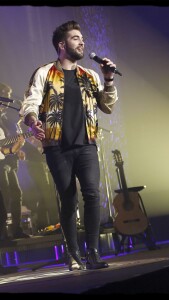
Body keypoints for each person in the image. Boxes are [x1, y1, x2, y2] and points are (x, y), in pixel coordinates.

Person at [19, 20, 118, 271]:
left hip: (86, 144)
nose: (82, 41)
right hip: (57, 146)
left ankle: (93, 253)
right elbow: (30, 103)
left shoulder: (90, 75)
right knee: (68, 198)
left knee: (93, 195)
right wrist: (33, 122)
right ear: (62, 45)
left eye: (82, 37)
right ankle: (73, 254)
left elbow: (107, 106)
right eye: (76, 38)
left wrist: (108, 80)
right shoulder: (44, 73)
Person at [0, 82, 30, 241]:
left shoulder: (4, 118)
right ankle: (3, 232)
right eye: (5, 95)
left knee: (16, 194)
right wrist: (11, 149)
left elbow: (5, 141)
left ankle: (16, 229)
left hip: (9, 162)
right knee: (4, 196)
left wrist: (18, 149)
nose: (8, 99)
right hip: (1, 164)